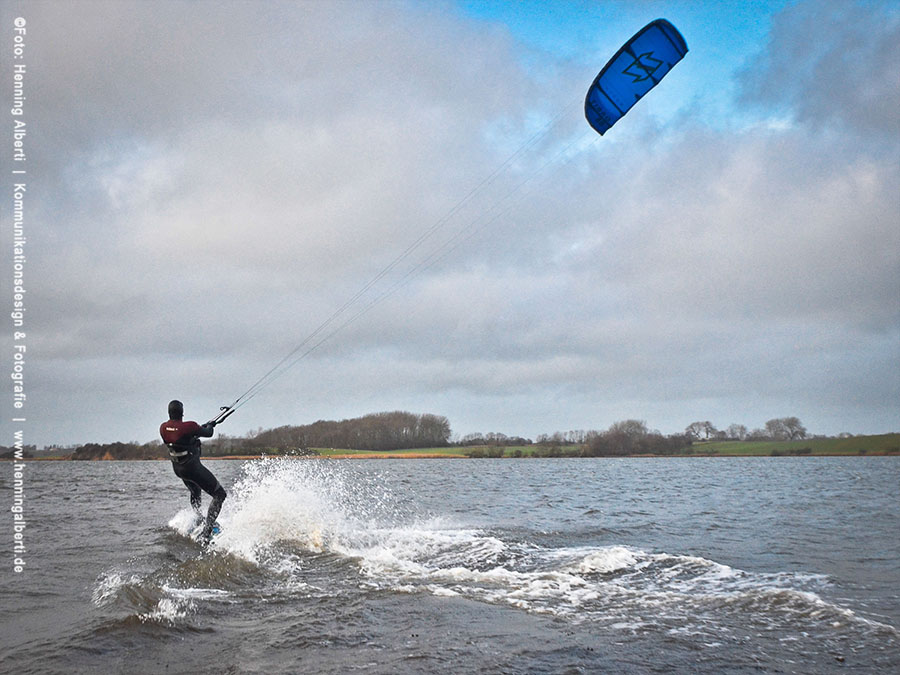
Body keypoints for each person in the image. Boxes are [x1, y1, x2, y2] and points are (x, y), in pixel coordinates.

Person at [160, 400, 227, 543]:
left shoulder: (163, 428)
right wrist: (210, 425)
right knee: (220, 494)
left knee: (195, 490)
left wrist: (197, 431)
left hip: (178, 469)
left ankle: (198, 517)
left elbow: (181, 436)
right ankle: (207, 532)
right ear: (182, 413)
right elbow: (208, 433)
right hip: (192, 469)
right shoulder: (189, 426)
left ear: (169, 413)